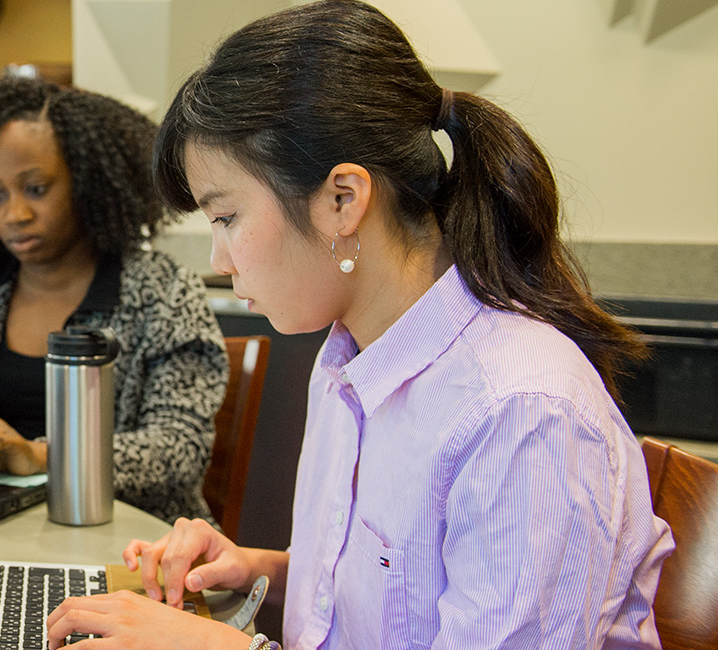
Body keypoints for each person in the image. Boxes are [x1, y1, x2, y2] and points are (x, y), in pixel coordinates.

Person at [44, 2, 674, 648]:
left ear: (342, 200)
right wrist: (262, 571)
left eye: (226, 217)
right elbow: (397, 601)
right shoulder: (348, 357)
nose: (219, 259)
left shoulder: (523, 412)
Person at [0, 77, 227, 524]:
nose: (15, 214)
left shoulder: (162, 290)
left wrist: (43, 455)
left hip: (130, 541)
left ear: (89, 184)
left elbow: (179, 447)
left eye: (35, 188)